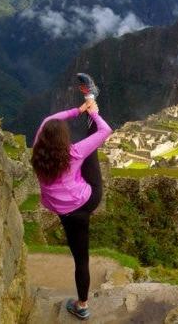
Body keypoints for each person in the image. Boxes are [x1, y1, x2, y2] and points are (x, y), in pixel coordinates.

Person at [31, 74, 112, 320]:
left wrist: (77, 110)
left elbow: (49, 120)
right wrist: (91, 110)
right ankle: (92, 98)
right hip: (87, 200)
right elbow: (105, 130)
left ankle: (82, 306)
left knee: (81, 259)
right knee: (91, 151)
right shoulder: (73, 152)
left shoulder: (36, 151)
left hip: (64, 211)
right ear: (63, 139)